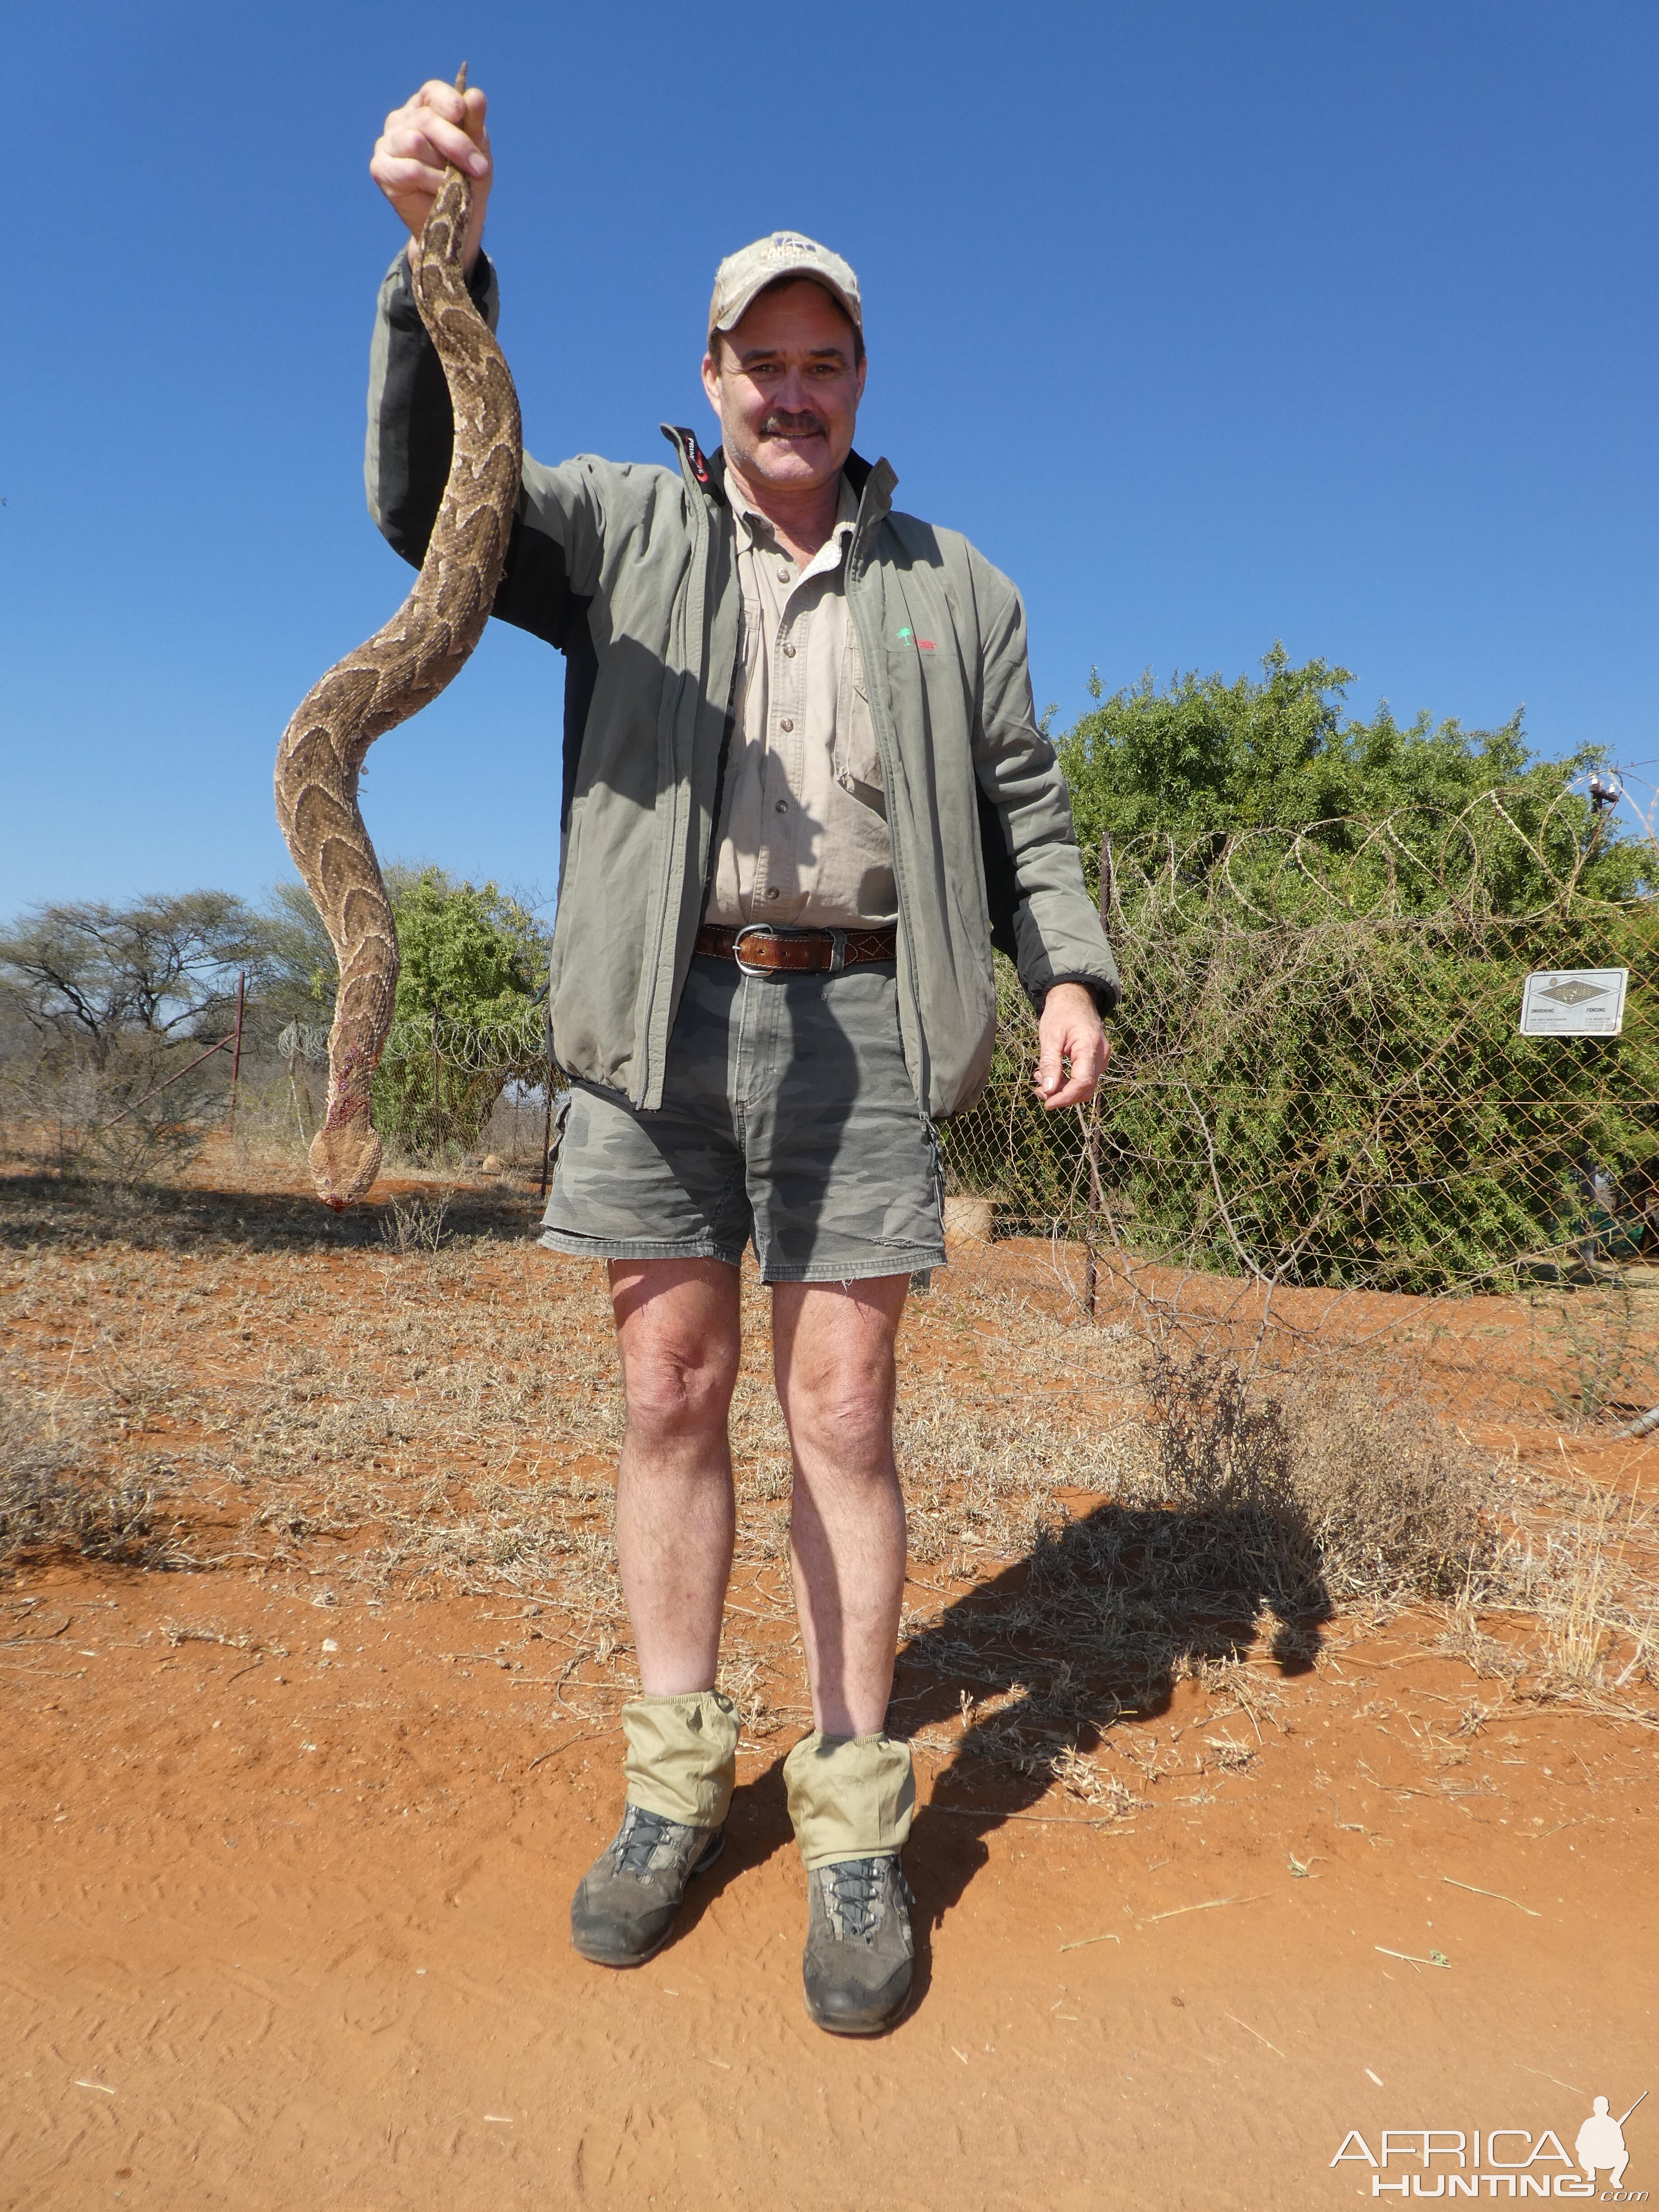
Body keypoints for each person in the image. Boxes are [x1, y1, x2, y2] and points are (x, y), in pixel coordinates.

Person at [367, 76, 1120, 2036]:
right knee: (671, 1386)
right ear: (709, 369)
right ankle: (674, 1782)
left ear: (862, 379)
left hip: (866, 1012)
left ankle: (853, 1815)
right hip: (654, 1015)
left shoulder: (962, 589)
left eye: (825, 359)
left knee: (845, 1414)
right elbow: (424, 512)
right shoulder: (619, 526)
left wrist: (1073, 973)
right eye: (759, 359)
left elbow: (1026, 806)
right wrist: (431, 263)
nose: (792, 389)